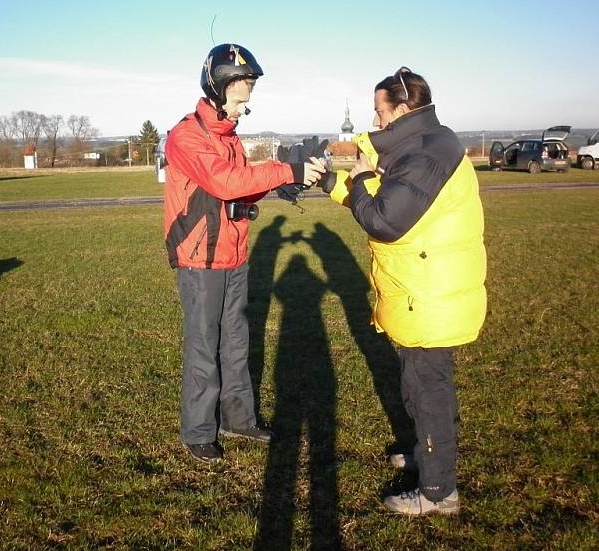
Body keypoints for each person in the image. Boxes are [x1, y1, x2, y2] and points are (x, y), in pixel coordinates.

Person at [320, 67, 486, 514]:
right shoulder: (428, 144)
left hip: (428, 293)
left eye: (379, 112)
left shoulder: (426, 155)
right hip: (425, 287)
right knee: (424, 385)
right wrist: (333, 183)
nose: (375, 122)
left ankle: (437, 492)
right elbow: (385, 201)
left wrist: (358, 180)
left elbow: (383, 220)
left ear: (403, 109)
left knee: (426, 388)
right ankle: (430, 456)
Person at [164, 43, 326, 464]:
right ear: (217, 88)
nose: (243, 107)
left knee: (236, 340)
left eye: (247, 100)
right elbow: (223, 182)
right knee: (204, 344)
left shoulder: (228, 137)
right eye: (239, 99)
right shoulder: (185, 136)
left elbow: (242, 186)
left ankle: (238, 418)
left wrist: (283, 182)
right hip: (200, 258)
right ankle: (198, 430)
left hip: (234, 252)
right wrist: (283, 170)